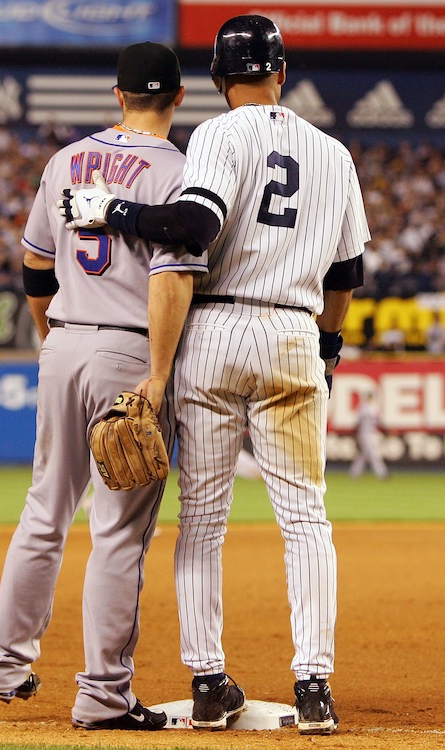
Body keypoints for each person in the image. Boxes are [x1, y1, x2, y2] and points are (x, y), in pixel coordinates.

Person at [59, 15, 369, 735]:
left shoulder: (218, 134)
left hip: (217, 330)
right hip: (294, 330)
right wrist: (326, 350)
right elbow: (347, 273)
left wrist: (113, 210)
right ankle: (314, 684)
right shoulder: (334, 154)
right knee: (306, 519)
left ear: (219, 79)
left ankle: (206, 681)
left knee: (200, 520)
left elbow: (194, 230)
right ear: (281, 73)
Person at [0, 42, 207, 731]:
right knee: (119, 532)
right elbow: (172, 277)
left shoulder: (63, 162)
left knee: (44, 511)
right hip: (129, 350)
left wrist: (52, 339)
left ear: (117, 95)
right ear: (178, 98)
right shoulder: (179, 168)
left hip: (64, 341)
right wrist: (158, 375)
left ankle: (3, 663)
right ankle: (104, 695)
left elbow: (34, 264)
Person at [349, 391, 388, 479]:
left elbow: (379, 422)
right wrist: (355, 434)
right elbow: (357, 422)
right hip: (364, 433)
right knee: (374, 454)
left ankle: (354, 472)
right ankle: (382, 473)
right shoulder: (362, 407)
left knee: (364, 454)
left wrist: (385, 430)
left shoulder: (374, 407)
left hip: (372, 434)